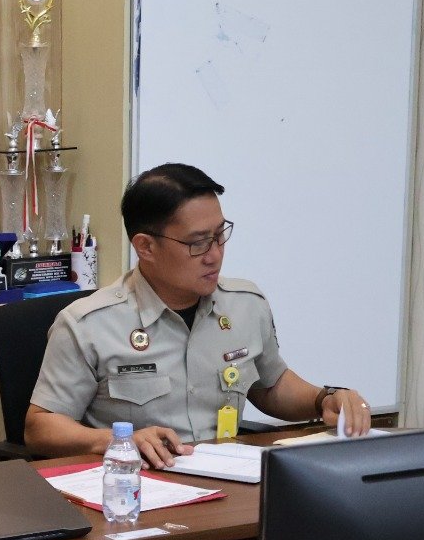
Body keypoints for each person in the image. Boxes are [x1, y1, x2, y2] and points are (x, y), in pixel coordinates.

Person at [24, 163, 372, 467]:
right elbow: (41, 427)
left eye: (220, 235)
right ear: (145, 247)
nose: (215, 255)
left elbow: (272, 386)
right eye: (198, 242)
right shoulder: (87, 324)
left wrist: (324, 398)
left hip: (230, 484)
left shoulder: (246, 305)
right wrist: (115, 441)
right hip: (135, 489)